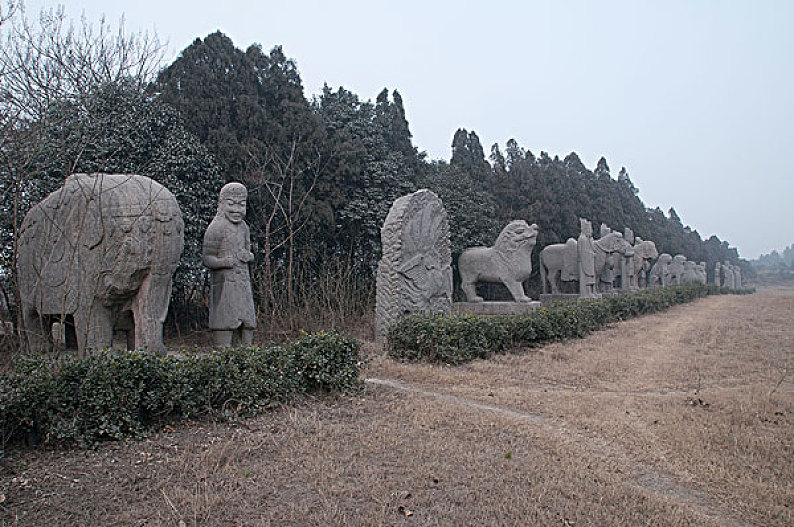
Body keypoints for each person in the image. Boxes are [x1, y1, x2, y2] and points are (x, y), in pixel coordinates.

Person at [202, 182, 256, 347]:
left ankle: (247, 355)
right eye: (231, 204)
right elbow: (207, 258)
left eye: (241, 205)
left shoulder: (244, 228)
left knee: (248, 323)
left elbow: (249, 252)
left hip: (243, 284)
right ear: (221, 204)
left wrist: (248, 256)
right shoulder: (216, 228)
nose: (237, 210)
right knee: (224, 322)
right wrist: (223, 262)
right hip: (224, 285)